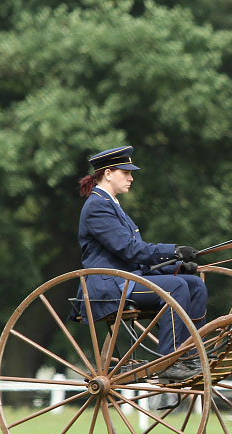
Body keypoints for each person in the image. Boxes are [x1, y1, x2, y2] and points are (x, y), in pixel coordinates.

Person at [77, 146, 207, 380]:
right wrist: (174, 250)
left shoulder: (112, 205)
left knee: (194, 284)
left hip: (128, 279)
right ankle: (170, 360)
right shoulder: (97, 206)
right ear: (108, 173)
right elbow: (130, 250)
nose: (131, 177)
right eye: (125, 173)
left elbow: (134, 256)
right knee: (176, 288)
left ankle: (192, 354)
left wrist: (176, 266)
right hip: (110, 285)